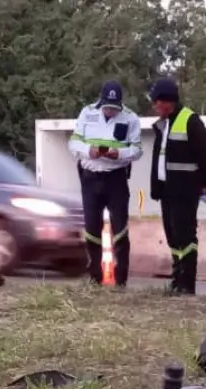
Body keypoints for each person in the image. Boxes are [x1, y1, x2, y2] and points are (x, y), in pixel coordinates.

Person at [68, 80, 143, 287]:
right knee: (92, 228)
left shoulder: (131, 119)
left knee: (120, 229)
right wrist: (88, 151)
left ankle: (120, 280)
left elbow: (137, 150)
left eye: (114, 108)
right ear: (101, 102)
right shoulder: (87, 113)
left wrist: (119, 154)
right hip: (90, 177)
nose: (110, 111)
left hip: (116, 176)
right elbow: (73, 143)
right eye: (107, 107)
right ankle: (94, 277)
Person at [148, 78, 206, 296]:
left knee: (186, 237)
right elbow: (160, 158)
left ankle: (187, 284)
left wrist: (199, 184)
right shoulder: (163, 124)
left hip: (185, 191)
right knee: (172, 236)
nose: (154, 107)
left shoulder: (190, 120)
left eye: (157, 102)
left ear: (168, 102)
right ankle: (177, 280)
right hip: (167, 191)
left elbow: (205, 157)